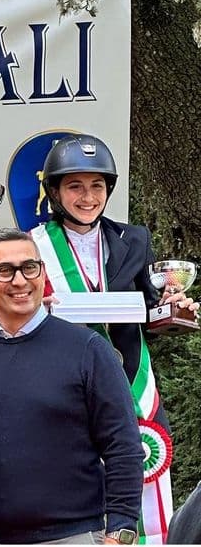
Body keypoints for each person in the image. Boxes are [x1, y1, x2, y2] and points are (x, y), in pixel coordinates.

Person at [31, 133, 199, 543]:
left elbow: (151, 307)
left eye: (97, 186)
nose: (88, 197)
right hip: (65, 382)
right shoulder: (33, 246)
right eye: (75, 186)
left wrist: (172, 306)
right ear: (55, 192)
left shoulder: (135, 239)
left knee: (142, 467)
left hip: (130, 382)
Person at [0, 228, 144, 544]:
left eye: (29, 267)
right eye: (4, 270)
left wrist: (121, 531)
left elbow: (122, 444)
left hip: (74, 537)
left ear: (42, 273)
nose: (20, 281)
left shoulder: (88, 350)